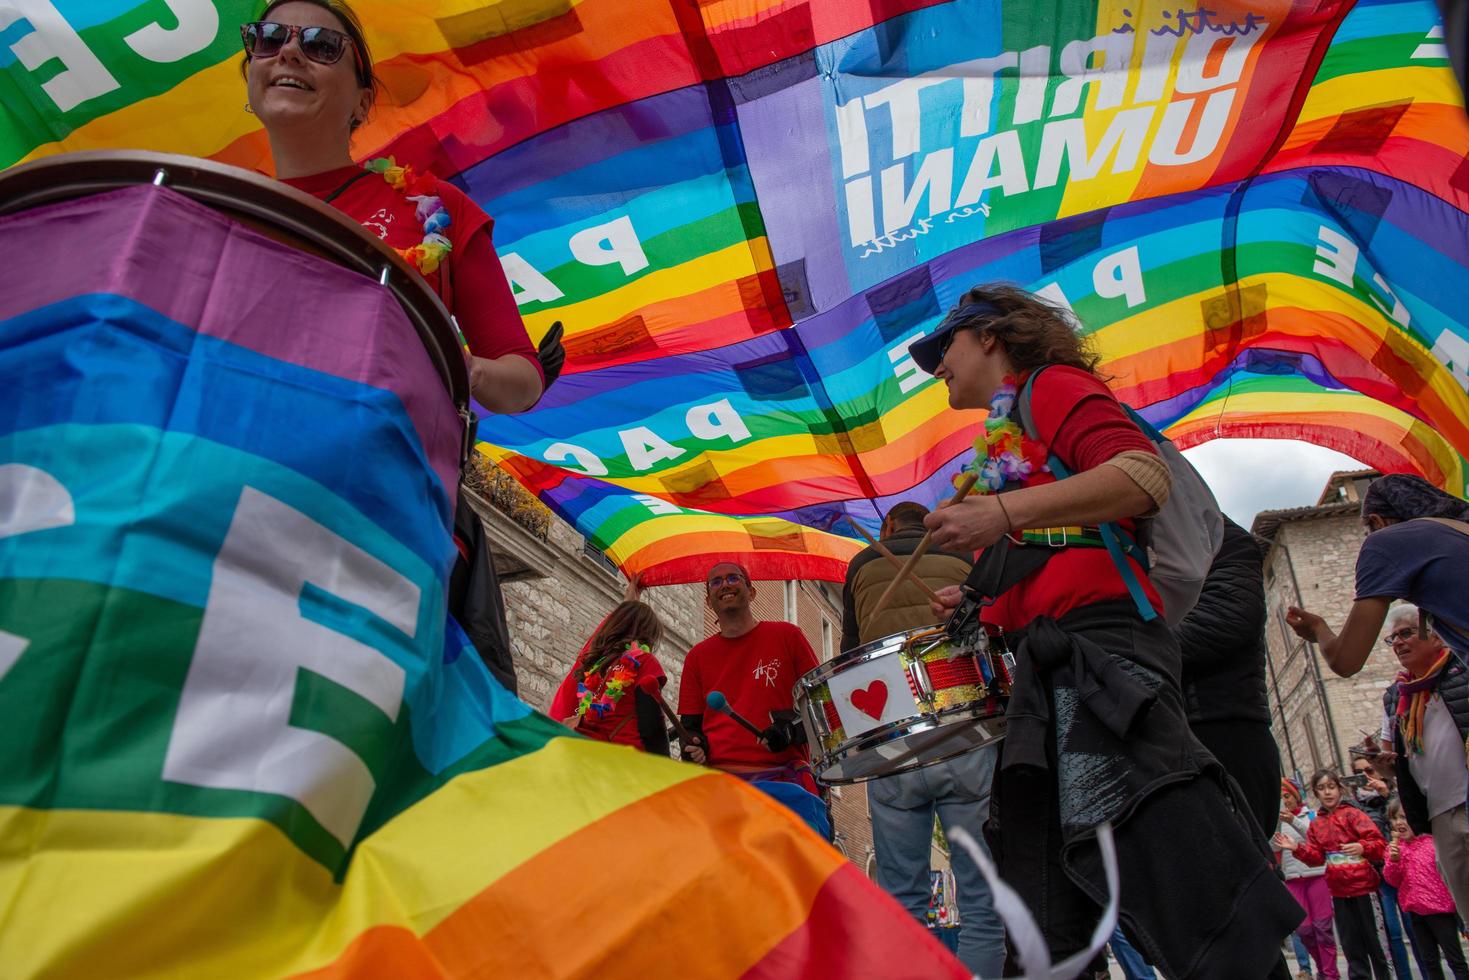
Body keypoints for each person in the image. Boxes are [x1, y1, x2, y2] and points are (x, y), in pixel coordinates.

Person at [912, 285, 1301, 977]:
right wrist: (979, 605)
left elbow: (1140, 475)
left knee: (1178, 876)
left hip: (1103, 653)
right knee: (1038, 903)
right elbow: (1060, 555)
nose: (933, 364)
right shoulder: (1008, 435)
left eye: (945, 346)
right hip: (1045, 670)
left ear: (992, 337)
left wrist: (999, 513)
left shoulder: (1053, 386)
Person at [240, 0, 549, 414]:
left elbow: (523, 380)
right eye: (269, 38)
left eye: (323, 45)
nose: (289, 53)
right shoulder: (225, 214)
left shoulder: (434, 206)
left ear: (363, 103)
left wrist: (461, 367)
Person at [840, 502, 1004, 978]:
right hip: (963, 732)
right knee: (981, 902)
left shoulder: (862, 564)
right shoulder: (967, 558)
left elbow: (853, 654)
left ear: (888, 527)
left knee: (902, 903)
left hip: (893, 744)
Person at [1287, 474, 1469, 677]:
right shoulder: (1459, 531)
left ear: (1376, 520)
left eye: (1368, 532)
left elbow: (1345, 661)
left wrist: (1318, 629)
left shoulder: (1386, 542)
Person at [1174, 516, 1282, 840]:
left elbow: (1226, 620)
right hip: (1157, 731)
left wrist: (1122, 645)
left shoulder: (1221, 539)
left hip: (1221, 726)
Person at [677, 562, 821, 794]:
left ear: (752, 592)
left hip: (784, 779)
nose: (724, 585)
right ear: (708, 601)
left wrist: (791, 730)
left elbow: (821, 703)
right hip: (721, 784)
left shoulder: (788, 636)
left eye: (733, 578)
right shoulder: (697, 656)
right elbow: (690, 726)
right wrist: (693, 746)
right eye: (715, 582)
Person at [1380, 605, 1469, 916]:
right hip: (1437, 814)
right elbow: (1392, 755)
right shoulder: (1396, 696)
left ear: (1436, 638)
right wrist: (1383, 763)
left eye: (1406, 633)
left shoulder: (1462, 668)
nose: (1400, 643)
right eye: (1393, 639)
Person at [1275, 770, 1393, 980]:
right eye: (1321, 788)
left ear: (1339, 789)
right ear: (1316, 793)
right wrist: (1296, 848)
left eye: (1331, 787)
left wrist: (1362, 847)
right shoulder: (1318, 824)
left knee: (1375, 942)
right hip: (1339, 892)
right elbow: (1316, 858)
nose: (1327, 792)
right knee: (1351, 944)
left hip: (1364, 889)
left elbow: (1378, 844)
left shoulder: (1354, 814)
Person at [551, 600, 669, 756]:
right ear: (647, 633)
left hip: (586, 756)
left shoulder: (593, 668)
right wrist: (663, 763)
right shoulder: (644, 661)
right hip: (623, 759)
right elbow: (651, 723)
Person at [1349, 752, 1420, 979]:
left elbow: (1402, 823)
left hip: (1404, 870)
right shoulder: (1355, 806)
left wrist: (1387, 795)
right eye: (1358, 773)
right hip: (1380, 873)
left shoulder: (1394, 796)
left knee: (1414, 928)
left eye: (1369, 771)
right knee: (1392, 931)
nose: (1365, 777)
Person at [1385, 799, 1469, 980]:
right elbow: (1392, 880)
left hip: (1441, 911)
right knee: (1429, 960)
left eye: (1403, 817)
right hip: (1416, 912)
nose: (1399, 822)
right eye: (1394, 819)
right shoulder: (1395, 849)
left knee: (1455, 959)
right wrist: (1394, 861)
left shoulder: (1432, 843)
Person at [1275, 779, 1338, 980]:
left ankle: (1330, 974)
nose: (1285, 801)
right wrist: (1274, 826)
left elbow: (1315, 837)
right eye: (1281, 798)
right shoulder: (1277, 822)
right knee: (1304, 930)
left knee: (1323, 928)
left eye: (1287, 796)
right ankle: (1321, 968)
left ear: (1295, 796)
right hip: (1293, 879)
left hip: (1316, 875)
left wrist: (1292, 821)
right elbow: (1274, 849)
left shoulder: (1310, 815)